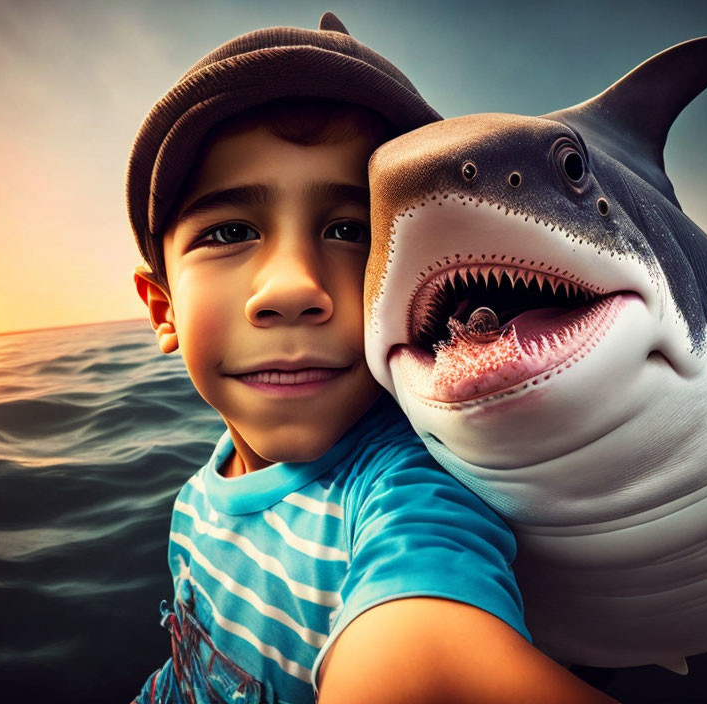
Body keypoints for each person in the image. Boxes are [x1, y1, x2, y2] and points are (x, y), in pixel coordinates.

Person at [127, 12, 617, 704]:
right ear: (162, 310)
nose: (293, 287)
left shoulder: (410, 493)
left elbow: (425, 644)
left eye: (352, 230)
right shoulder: (197, 499)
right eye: (231, 231)